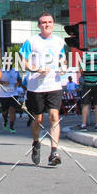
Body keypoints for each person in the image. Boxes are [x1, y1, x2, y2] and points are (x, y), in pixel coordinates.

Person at [20, 12, 66, 166]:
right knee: (38, 119)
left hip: (54, 85)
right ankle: (36, 143)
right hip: (35, 86)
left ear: (53, 24)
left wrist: (64, 67)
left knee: (54, 116)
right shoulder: (31, 42)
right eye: (43, 22)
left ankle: (54, 153)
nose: (47, 25)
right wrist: (37, 69)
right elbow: (23, 62)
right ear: (38, 25)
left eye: (49, 22)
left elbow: (62, 59)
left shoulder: (59, 42)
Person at [79, 36, 97, 131]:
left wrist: (84, 75)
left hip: (87, 83)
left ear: (88, 45)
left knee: (85, 104)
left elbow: (81, 70)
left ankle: (83, 124)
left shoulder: (84, 55)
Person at [0, 64, 20, 133]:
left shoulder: (15, 71)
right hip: (4, 95)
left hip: (14, 93)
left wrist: (18, 83)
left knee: (12, 110)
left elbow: (20, 79)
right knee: (5, 112)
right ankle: (5, 121)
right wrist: (4, 82)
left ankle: (11, 126)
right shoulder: (1, 71)